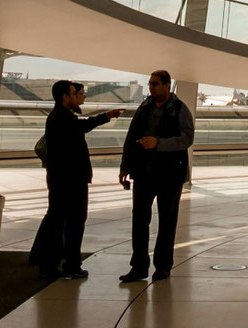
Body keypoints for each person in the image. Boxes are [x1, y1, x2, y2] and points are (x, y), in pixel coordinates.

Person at [31, 81, 123, 280]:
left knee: (58, 221)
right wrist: (105, 117)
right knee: (73, 222)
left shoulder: (58, 116)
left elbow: (81, 127)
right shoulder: (63, 118)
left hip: (61, 179)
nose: (78, 96)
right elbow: (83, 127)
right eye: (74, 93)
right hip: (71, 180)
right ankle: (70, 265)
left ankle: (52, 265)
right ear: (65, 97)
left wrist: (105, 116)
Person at [118, 70, 194, 282]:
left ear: (167, 85)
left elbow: (187, 138)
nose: (151, 87)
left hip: (170, 174)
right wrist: (125, 166)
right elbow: (131, 137)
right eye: (150, 84)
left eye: (155, 84)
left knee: (167, 221)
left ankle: (163, 266)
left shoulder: (179, 109)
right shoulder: (144, 107)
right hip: (144, 172)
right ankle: (139, 267)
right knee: (139, 219)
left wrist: (158, 143)